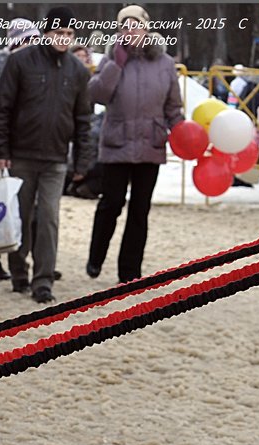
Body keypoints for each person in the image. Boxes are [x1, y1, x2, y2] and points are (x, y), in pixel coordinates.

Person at [0, 5, 92, 303]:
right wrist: (1, 149)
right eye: (58, 32)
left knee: (48, 217)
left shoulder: (77, 71)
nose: (63, 38)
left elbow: (84, 119)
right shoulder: (20, 62)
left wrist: (83, 160)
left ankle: (43, 279)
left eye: (69, 34)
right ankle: (19, 270)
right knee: (20, 215)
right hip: (20, 154)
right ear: (45, 33)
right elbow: (2, 108)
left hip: (56, 158)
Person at [85, 5, 183, 284]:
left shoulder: (164, 63)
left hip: (150, 146)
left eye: (135, 26)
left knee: (139, 211)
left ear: (146, 29)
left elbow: (173, 106)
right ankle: (96, 256)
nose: (130, 31)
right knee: (111, 204)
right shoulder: (110, 59)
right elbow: (97, 94)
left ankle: (129, 272)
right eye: (124, 26)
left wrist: (181, 130)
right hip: (117, 144)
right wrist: (117, 63)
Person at [0, 18, 39, 281]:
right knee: (1, 206)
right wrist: (1, 141)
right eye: (26, 41)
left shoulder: (39, 70)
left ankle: (30, 261)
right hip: (4, 151)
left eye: (34, 41)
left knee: (30, 208)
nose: (31, 47)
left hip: (31, 149)